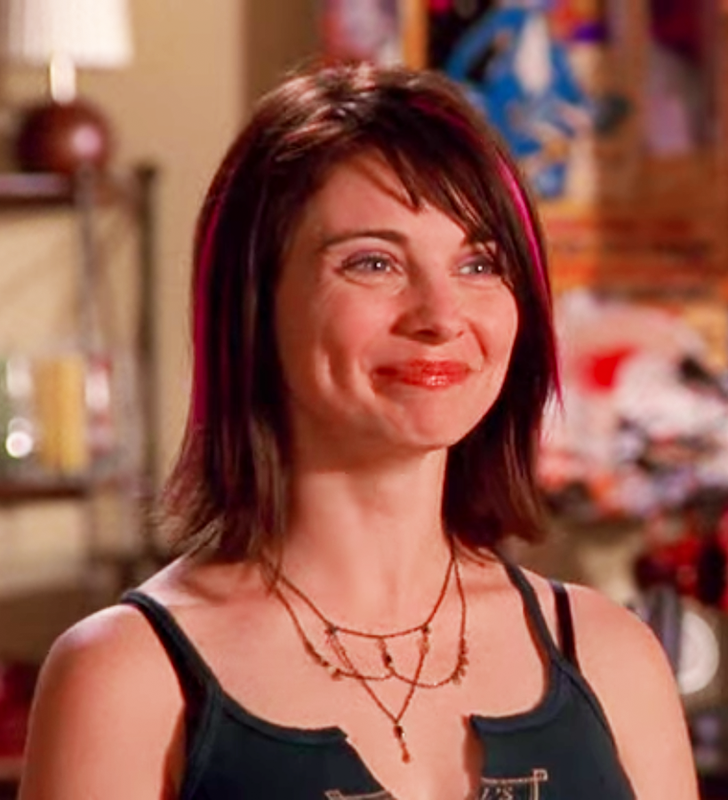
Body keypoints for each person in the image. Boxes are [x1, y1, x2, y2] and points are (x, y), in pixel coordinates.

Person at [18, 61, 697, 800]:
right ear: (255, 302)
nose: (441, 316)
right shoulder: (126, 679)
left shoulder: (612, 658)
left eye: (478, 264)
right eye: (373, 262)